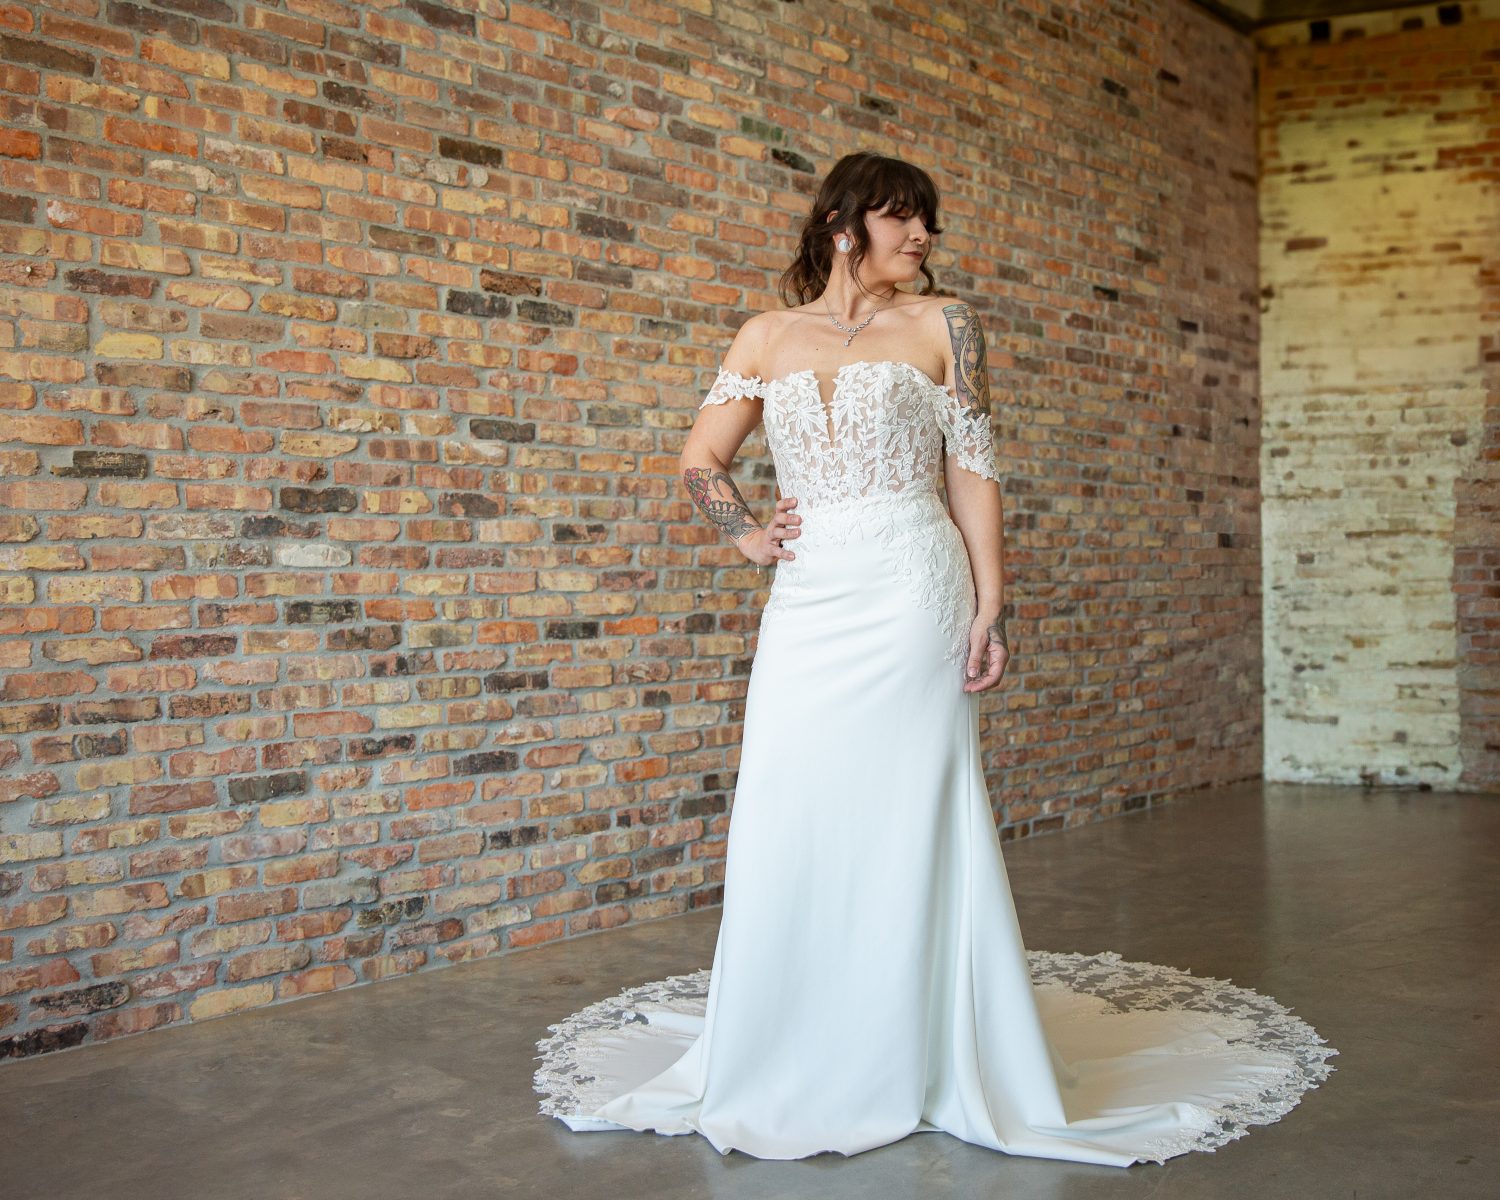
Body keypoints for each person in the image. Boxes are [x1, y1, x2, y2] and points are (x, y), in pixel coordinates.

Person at [533, 151, 1336, 1164]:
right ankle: (799, 1036)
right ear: (842, 224)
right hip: (811, 596)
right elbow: (702, 459)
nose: (921, 238)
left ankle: (915, 1049)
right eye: (902, 219)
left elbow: (973, 467)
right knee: (793, 802)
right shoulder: (766, 336)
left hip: (915, 586)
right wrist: (743, 533)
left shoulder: (946, 325)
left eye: (927, 223)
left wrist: (991, 601)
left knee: (909, 805)